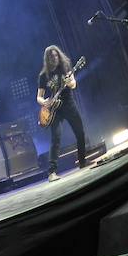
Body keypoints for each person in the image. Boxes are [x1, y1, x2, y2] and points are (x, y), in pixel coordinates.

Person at [37, 45, 87, 182]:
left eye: (56, 55)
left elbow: (74, 85)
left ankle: (82, 162)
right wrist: (45, 102)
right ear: (48, 59)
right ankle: (52, 172)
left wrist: (69, 82)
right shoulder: (43, 75)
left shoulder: (65, 69)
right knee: (56, 138)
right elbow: (39, 97)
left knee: (80, 133)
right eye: (52, 56)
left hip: (69, 104)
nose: (55, 58)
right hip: (55, 110)